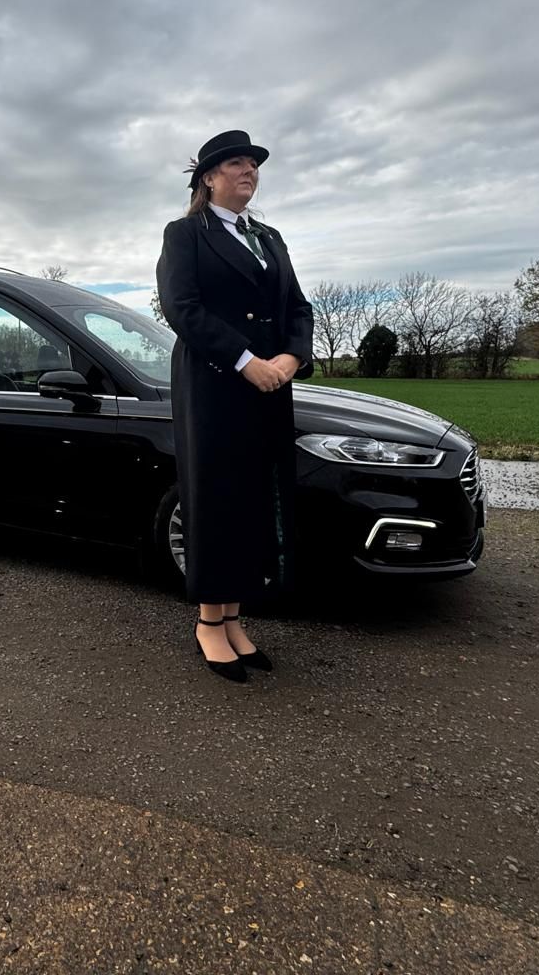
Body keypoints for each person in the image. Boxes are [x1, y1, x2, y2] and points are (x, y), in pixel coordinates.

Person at [155, 130, 314, 683]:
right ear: (208, 177)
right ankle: (207, 621)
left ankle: (233, 616)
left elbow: (298, 306)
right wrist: (248, 360)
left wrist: (291, 359)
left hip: (272, 384)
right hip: (216, 382)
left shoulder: (269, 237)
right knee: (217, 495)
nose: (250, 171)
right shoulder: (185, 235)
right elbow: (182, 307)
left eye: (254, 164)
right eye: (238, 164)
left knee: (255, 498)